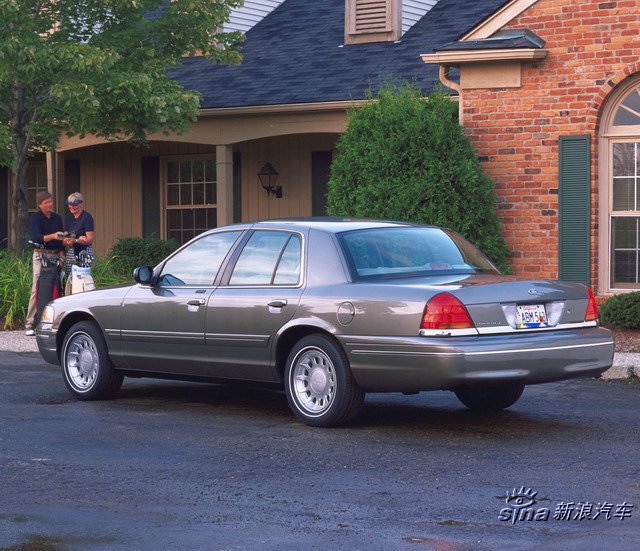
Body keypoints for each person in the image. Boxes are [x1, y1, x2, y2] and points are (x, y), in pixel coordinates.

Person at [25, 191, 64, 336]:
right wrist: (53, 235)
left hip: (55, 254)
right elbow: (37, 237)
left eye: (51, 201)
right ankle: (30, 323)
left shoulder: (57, 218)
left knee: (56, 286)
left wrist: (62, 256)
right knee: (37, 287)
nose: (50, 204)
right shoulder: (35, 218)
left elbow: (60, 241)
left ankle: (54, 321)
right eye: (46, 202)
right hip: (40, 254)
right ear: (40, 204)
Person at [62, 192, 95, 295]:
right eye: (70, 204)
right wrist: (66, 240)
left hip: (84, 252)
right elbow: (65, 237)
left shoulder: (87, 217)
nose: (71, 207)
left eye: (74, 204)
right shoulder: (69, 218)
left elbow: (89, 239)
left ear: (81, 204)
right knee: (70, 280)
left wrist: (76, 240)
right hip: (71, 252)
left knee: (82, 281)